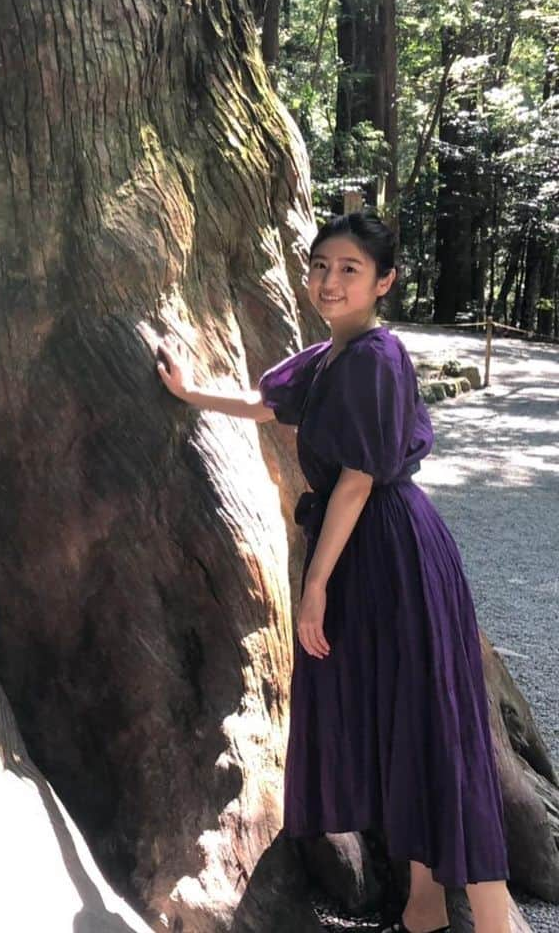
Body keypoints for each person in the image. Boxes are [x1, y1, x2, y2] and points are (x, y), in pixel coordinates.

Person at [154, 213, 511, 933]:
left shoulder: (377, 357)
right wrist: (192, 395)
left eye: (350, 268)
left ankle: (496, 917)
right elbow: (264, 405)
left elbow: (355, 479)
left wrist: (314, 586)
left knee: (433, 723)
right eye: (320, 265)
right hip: (366, 553)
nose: (328, 280)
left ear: (385, 283)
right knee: (400, 721)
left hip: (393, 552)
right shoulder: (326, 359)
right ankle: (424, 906)